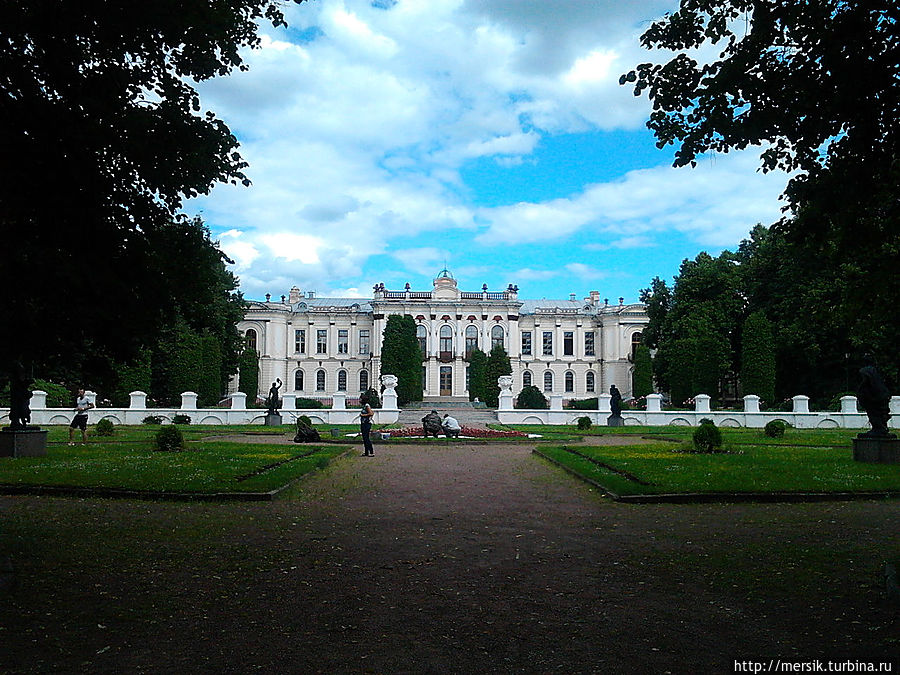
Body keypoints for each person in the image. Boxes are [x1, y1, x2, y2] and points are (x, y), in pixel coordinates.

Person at [359, 392, 375, 456]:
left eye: (360, 399)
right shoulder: (364, 406)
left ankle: (371, 452)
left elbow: (371, 413)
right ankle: (366, 452)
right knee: (364, 438)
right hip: (363, 423)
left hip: (366, 424)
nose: (359, 400)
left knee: (366, 438)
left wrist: (363, 415)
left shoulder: (367, 406)